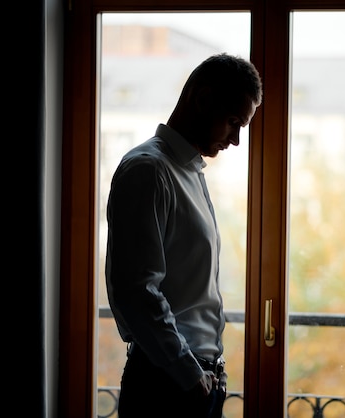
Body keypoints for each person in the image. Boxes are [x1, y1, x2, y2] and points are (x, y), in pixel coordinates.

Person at [105, 53, 263, 418]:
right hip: (167, 386)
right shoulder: (148, 171)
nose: (237, 140)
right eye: (233, 122)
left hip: (192, 381)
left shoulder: (188, 171)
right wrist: (189, 374)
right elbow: (136, 291)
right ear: (203, 99)